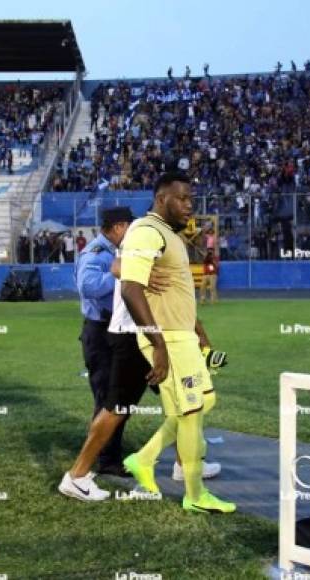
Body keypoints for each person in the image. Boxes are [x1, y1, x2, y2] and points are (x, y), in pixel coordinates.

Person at [119, 172, 234, 513]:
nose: (188, 205)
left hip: (182, 335)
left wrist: (198, 330)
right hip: (166, 337)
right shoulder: (146, 230)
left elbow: (177, 290)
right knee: (192, 411)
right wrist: (158, 345)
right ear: (160, 198)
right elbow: (130, 288)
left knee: (205, 401)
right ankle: (195, 495)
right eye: (181, 198)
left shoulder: (170, 235)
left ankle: (145, 457)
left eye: (191, 199)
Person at [72, 207, 137, 476]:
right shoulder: (97, 252)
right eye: (130, 227)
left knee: (119, 396)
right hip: (100, 333)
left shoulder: (113, 251)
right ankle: (105, 460)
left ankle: (108, 454)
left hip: (114, 330)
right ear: (119, 227)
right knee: (107, 398)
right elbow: (87, 286)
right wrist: (117, 273)